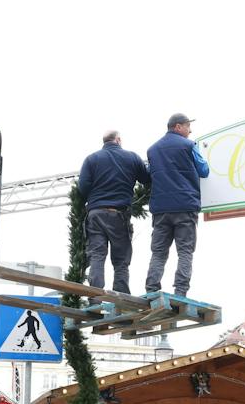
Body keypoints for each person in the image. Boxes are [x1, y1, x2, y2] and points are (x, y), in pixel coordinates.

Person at [145, 114, 210, 299]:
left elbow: (150, 174)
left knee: (158, 253)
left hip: (160, 210)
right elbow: (204, 171)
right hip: (184, 207)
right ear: (178, 127)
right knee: (185, 251)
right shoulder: (189, 146)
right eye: (189, 127)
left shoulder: (153, 150)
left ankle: (151, 290)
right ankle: (180, 292)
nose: (190, 131)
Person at [76, 130, 150, 295]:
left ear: (104, 142)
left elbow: (83, 188)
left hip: (95, 214)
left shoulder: (91, 159)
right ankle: (121, 299)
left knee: (97, 256)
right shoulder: (132, 157)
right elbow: (147, 179)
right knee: (121, 261)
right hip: (119, 215)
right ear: (118, 140)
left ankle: (94, 297)